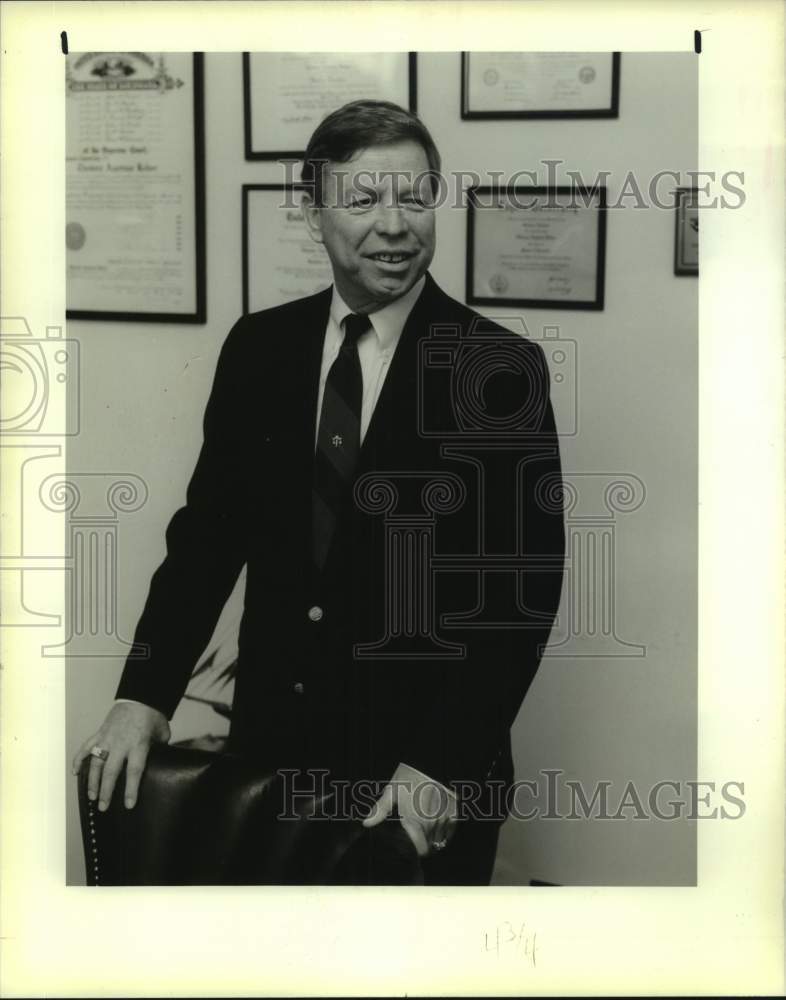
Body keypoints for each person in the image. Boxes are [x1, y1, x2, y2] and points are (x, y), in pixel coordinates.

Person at [73, 99, 565, 884]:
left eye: (414, 197)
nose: (395, 226)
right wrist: (144, 693)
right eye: (363, 201)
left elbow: (520, 595)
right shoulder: (259, 347)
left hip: (422, 774)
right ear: (312, 212)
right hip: (272, 753)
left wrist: (438, 764)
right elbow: (204, 539)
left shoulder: (497, 369)